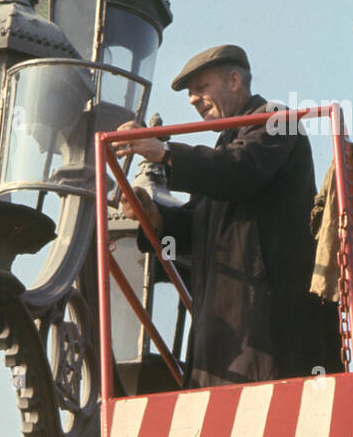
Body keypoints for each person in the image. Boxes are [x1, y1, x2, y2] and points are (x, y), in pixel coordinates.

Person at [119, 44, 341, 388]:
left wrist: (164, 152)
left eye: (201, 88)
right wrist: (153, 216)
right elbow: (195, 228)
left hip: (270, 335)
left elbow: (240, 171)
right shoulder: (223, 148)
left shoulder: (278, 120)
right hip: (227, 342)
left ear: (234, 80)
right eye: (191, 94)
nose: (193, 100)